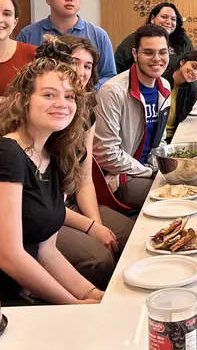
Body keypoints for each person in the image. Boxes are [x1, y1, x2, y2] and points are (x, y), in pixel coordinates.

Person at [0, 37, 102, 305]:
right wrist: (75, 306)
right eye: (49, 94)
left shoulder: (52, 154)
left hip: (5, 287)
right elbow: (10, 256)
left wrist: (90, 294)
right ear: (24, 101)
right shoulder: (6, 155)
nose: (62, 103)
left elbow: (47, 251)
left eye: (69, 96)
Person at [46, 35, 135, 289]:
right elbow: (43, 203)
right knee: (99, 259)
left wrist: (95, 223)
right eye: (74, 62)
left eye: (88, 66)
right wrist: (91, 229)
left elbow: (84, 178)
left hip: (71, 202)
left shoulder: (85, 110)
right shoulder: (49, 114)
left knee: (133, 236)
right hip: (45, 214)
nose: (81, 71)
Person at [93, 24, 172, 209]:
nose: (157, 59)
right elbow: (105, 153)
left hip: (148, 171)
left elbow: (159, 141)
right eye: (148, 53)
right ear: (135, 54)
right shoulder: (112, 91)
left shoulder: (165, 87)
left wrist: (159, 170)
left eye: (162, 52)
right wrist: (146, 172)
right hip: (121, 177)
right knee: (171, 202)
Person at [16, 0, 117, 87]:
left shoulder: (99, 35)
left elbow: (109, 76)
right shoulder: (28, 34)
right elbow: (20, 75)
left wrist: (86, 91)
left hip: (88, 102)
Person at [114, 3, 193, 79]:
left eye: (173, 19)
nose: (169, 22)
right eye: (164, 17)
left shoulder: (183, 42)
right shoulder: (134, 40)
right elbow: (118, 69)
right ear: (152, 19)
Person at [166, 51, 197, 142]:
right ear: (182, 62)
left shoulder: (191, 90)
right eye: (194, 66)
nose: (194, 72)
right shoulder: (161, 79)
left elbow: (183, 115)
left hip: (174, 136)